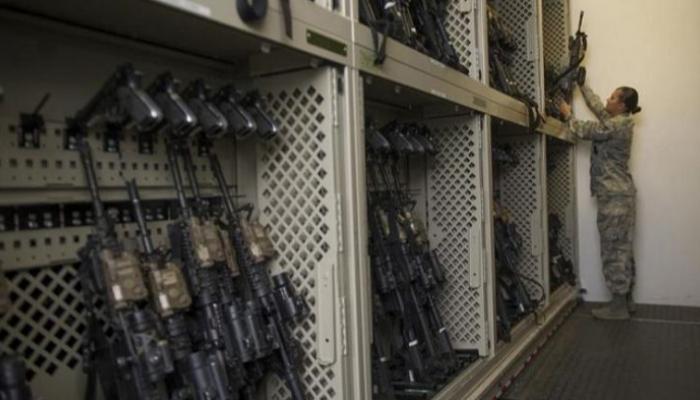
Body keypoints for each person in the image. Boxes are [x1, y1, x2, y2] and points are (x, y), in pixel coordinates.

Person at [559, 84, 641, 320]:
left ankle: (618, 307)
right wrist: (583, 86)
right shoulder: (619, 121)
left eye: (613, 97)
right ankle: (626, 301)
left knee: (614, 250)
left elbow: (584, 130)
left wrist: (568, 115)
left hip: (614, 198)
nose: (608, 99)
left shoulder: (615, 125)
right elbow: (599, 107)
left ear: (622, 105)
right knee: (622, 248)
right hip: (620, 195)